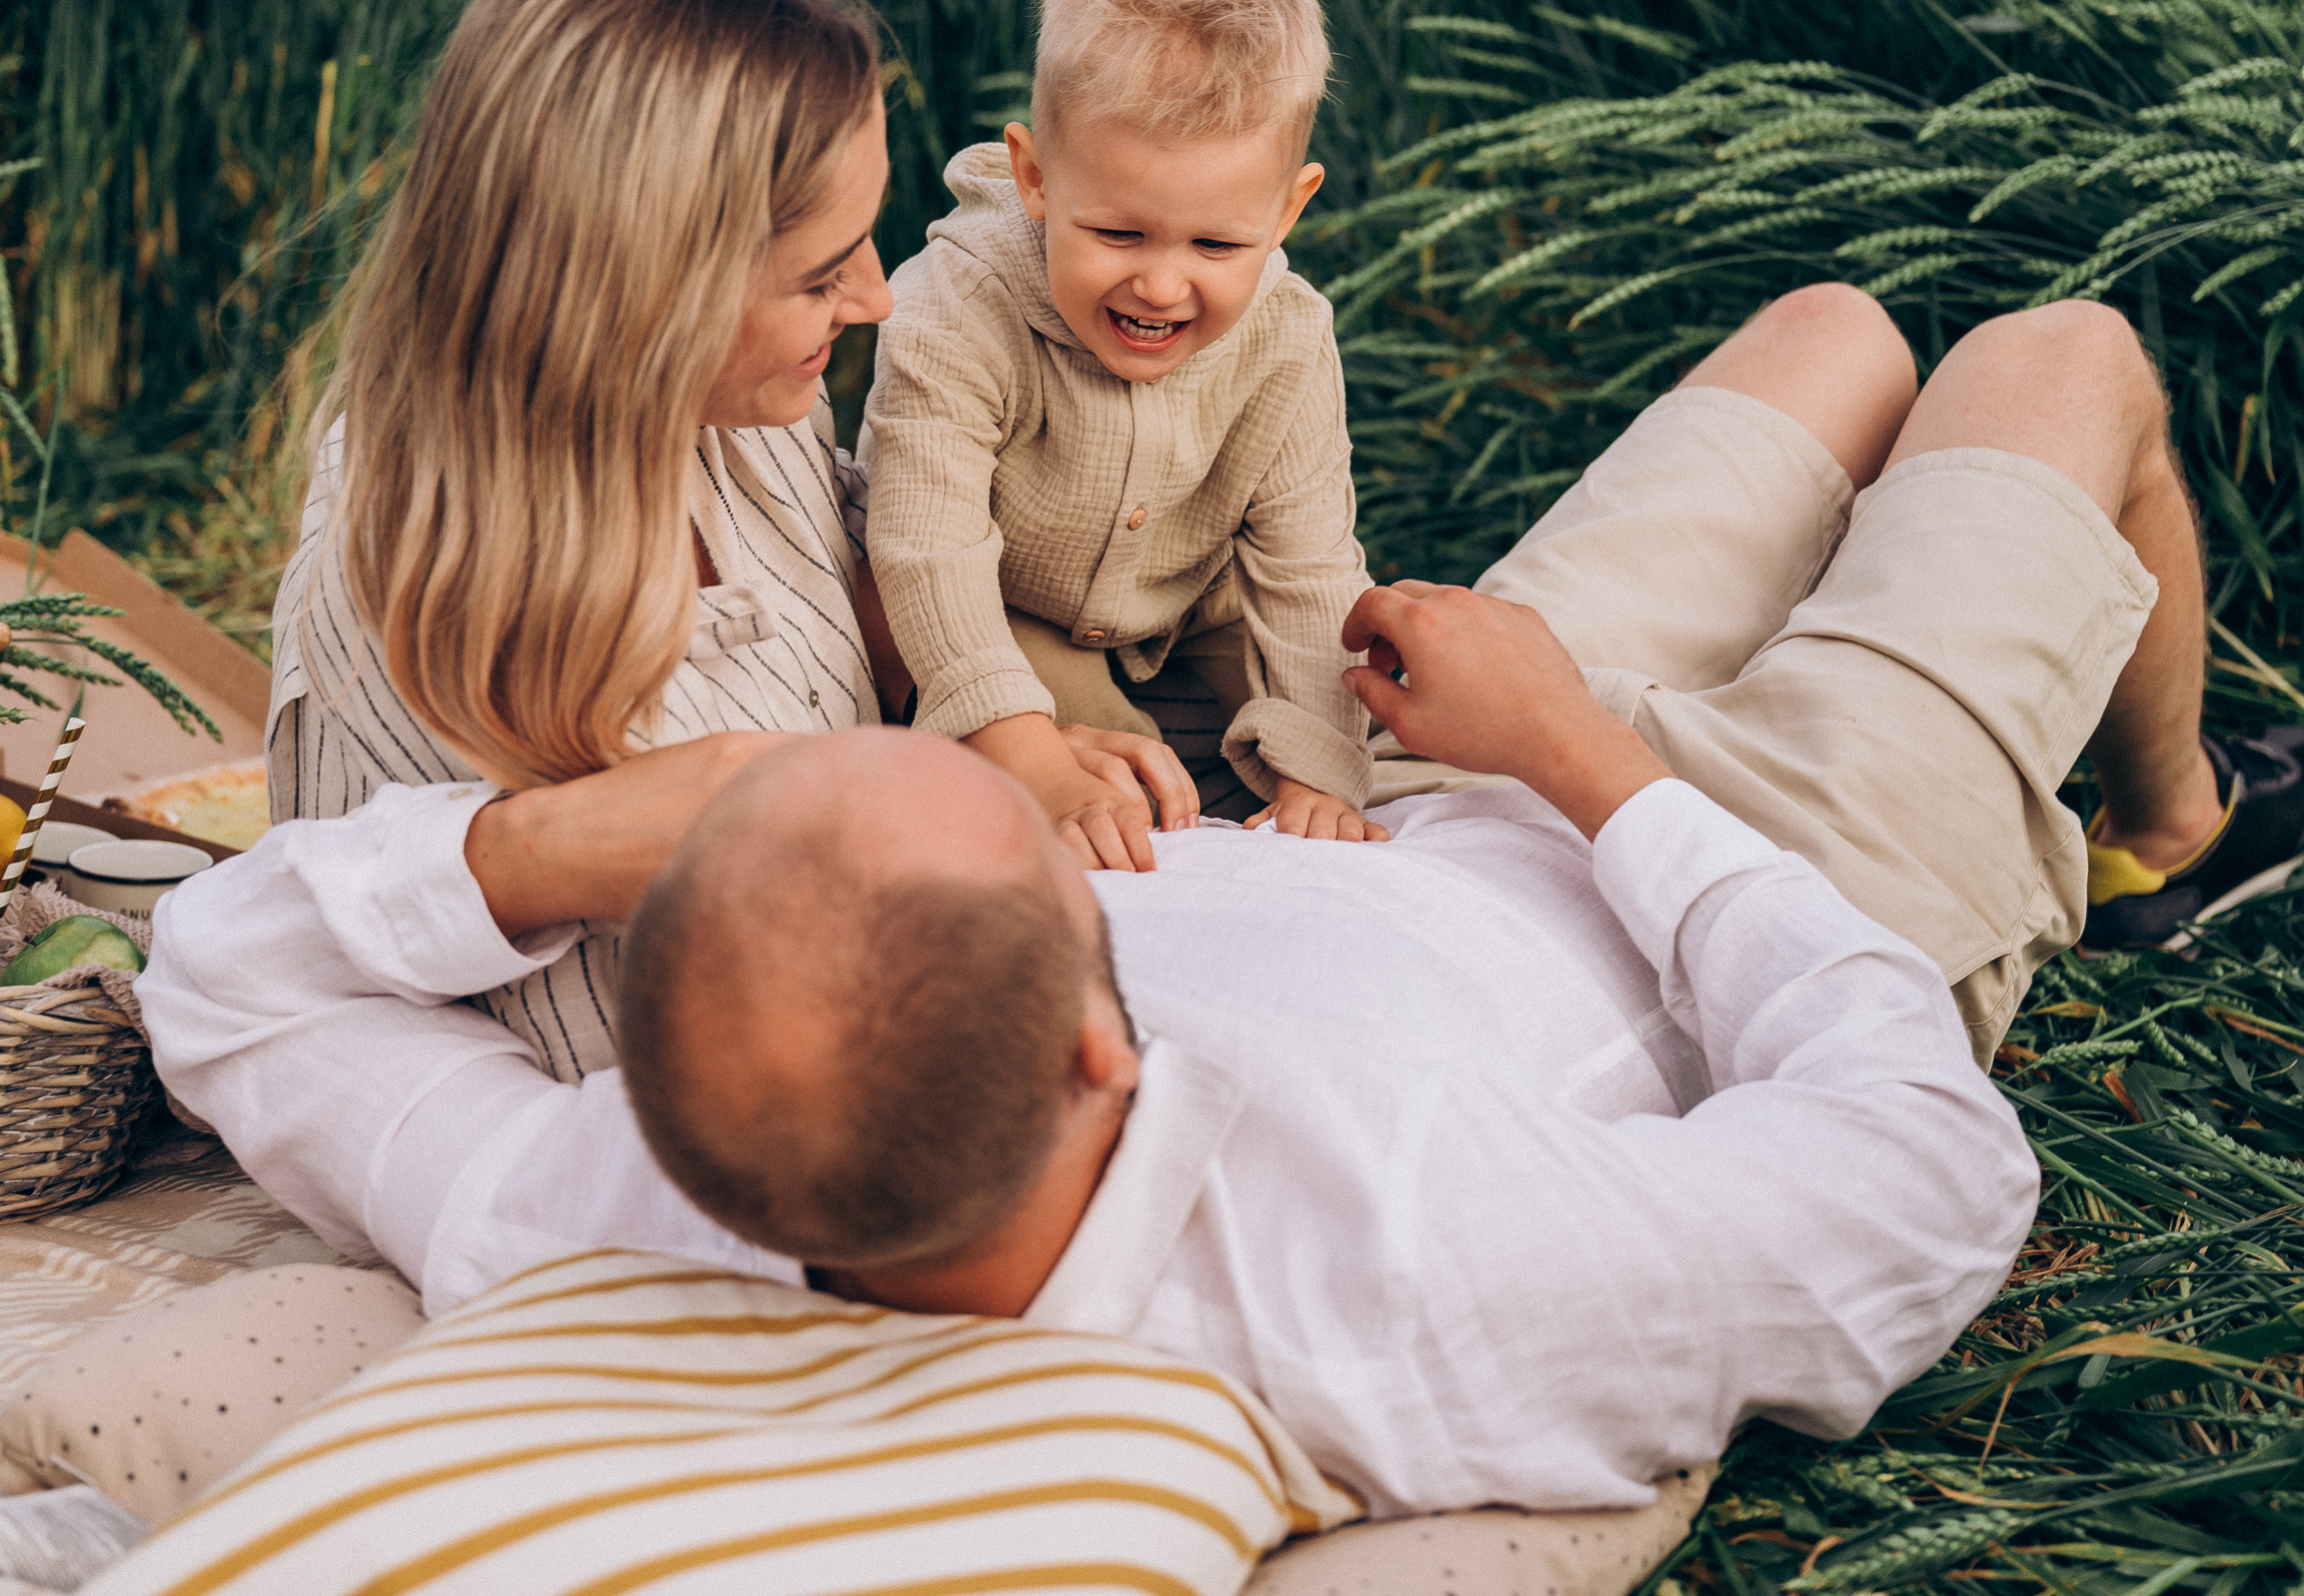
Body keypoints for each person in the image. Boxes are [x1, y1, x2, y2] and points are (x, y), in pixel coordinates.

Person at [146, 284, 2252, 1516]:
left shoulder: (616, 1192)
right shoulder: (1417, 1282)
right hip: (1781, 863)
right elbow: (1925, 1173)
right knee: (2059, 357)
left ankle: (2128, 747)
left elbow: (226, 981)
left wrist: (543, 842)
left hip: (1407, 780)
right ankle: (2182, 826)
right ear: (1098, 1033)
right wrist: (1595, 770)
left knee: (1839, 334)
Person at [261, 0, 1184, 1083]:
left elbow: (856, 610)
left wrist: (991, 742)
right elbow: (343, 1006)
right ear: (639, 289)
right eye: (819, 275)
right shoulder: (408, 613)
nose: (879, 299)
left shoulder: (740, 420)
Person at [861, 0, 1378, 871]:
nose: (1162, 285)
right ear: (1035, 175)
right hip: (1005, 605)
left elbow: (1308, 569)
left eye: (1215, 245)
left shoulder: (1288, 338)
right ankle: (1132, 808)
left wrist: (1321, 774)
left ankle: (1261, 793)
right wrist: (1032, 758)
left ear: (1288, 212)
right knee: (1114, 783)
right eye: (1116, 233)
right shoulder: (956, 306)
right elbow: (929, 549)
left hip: (1189, 605)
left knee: (1310, 710)